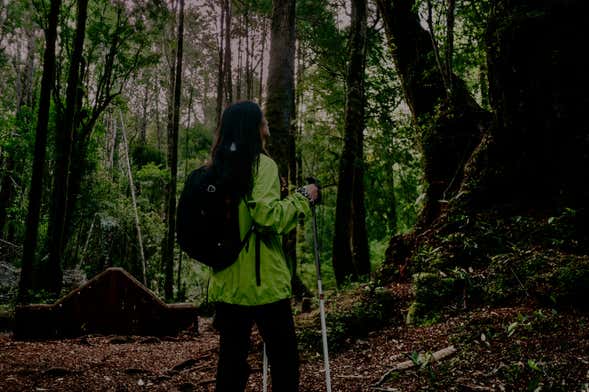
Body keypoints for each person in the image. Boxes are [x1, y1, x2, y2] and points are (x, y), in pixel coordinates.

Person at [207, 101, 319, 392]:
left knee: (231, 364)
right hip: (264, 283)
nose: (267, 126)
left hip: (228, 282)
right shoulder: (262, 164)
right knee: (285, 361)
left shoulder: (214, 167)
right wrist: (303, 198)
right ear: (253, 127)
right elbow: (269, 219)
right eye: (263, 121)